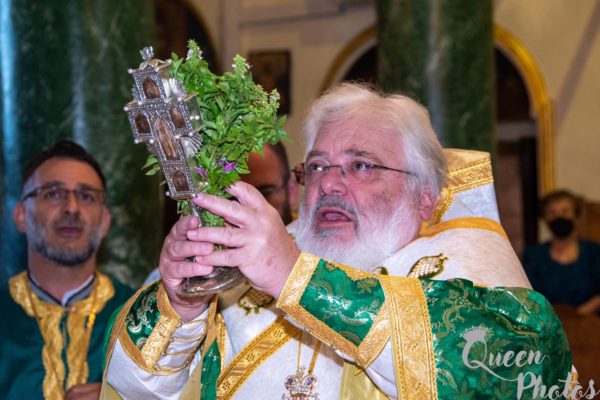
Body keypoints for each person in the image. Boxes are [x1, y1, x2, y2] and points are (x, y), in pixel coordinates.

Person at [102, 84, 573, 399]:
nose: (328, 184)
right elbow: (135, 389)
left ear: (424, 196)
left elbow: (517, 370)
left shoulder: (467, 261)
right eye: (318, 166)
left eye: (361, 165)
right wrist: (181, 304)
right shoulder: (256, 258)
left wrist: (294, 278)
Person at [0, 140, 134, 399]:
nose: (72, 208)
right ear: (20, 216)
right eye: (53, 194)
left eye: (86, 196)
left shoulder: (138, 316)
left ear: (105, 221)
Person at [523, 190, 600, 316]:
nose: (558, 217)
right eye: (552, 213)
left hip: (590, 323)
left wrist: (578, 315)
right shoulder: (533, 255)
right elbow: (529, 294)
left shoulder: (594, 252)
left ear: (576, 216)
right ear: (545, 218)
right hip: (546, 323)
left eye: (565, 211)